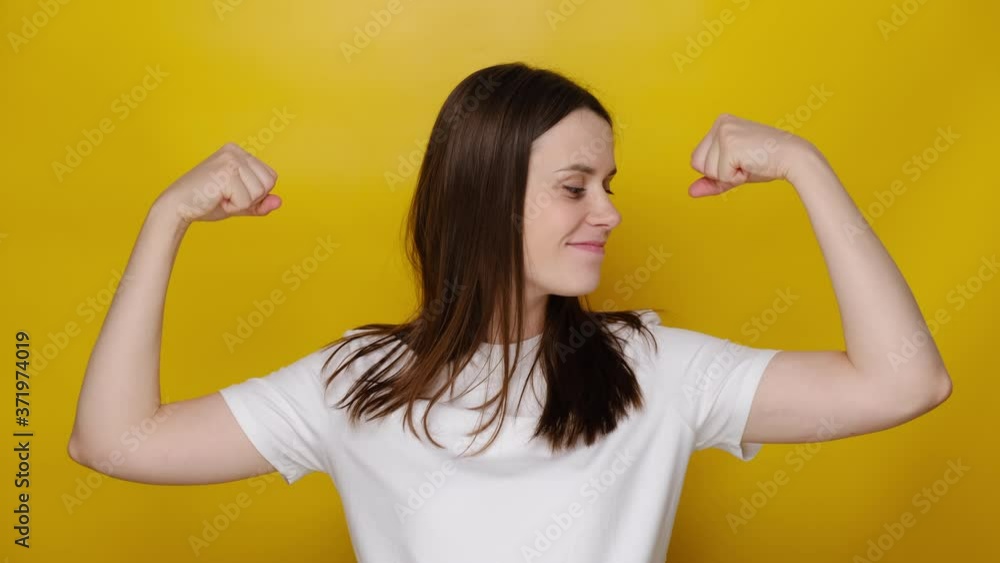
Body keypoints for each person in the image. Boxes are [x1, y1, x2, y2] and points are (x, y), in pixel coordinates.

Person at [68, 62, 952, 562]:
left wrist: (805, 167)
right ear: (488, 200)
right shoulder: (358, 382)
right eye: (575, 186)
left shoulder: (655, 367)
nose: (608, 210)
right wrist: (165, 220)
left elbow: (905, 380)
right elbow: (113, 442)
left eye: (608, 183)